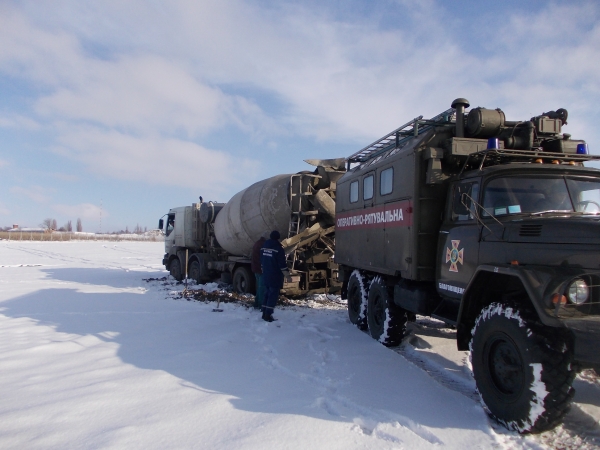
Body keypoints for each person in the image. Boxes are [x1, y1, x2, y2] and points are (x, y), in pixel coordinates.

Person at [260, 230, 291, 322]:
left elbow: (262, 261)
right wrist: (288, 276)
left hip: (266, 274)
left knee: (266, 294)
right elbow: (282, 265)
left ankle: (264, 312)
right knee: (273, 295)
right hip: (275, 275)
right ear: (278, 238)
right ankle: (268, 315)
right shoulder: (278, 249)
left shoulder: (263, 247)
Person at [251, 231, 270, 310]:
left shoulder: (257, 243)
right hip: (260, 269)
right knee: (262, 288)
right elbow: (264, 257)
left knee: (259, 287)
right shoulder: (263, 245)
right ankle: (261, 305)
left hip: (256, 268)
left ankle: (256, 303)